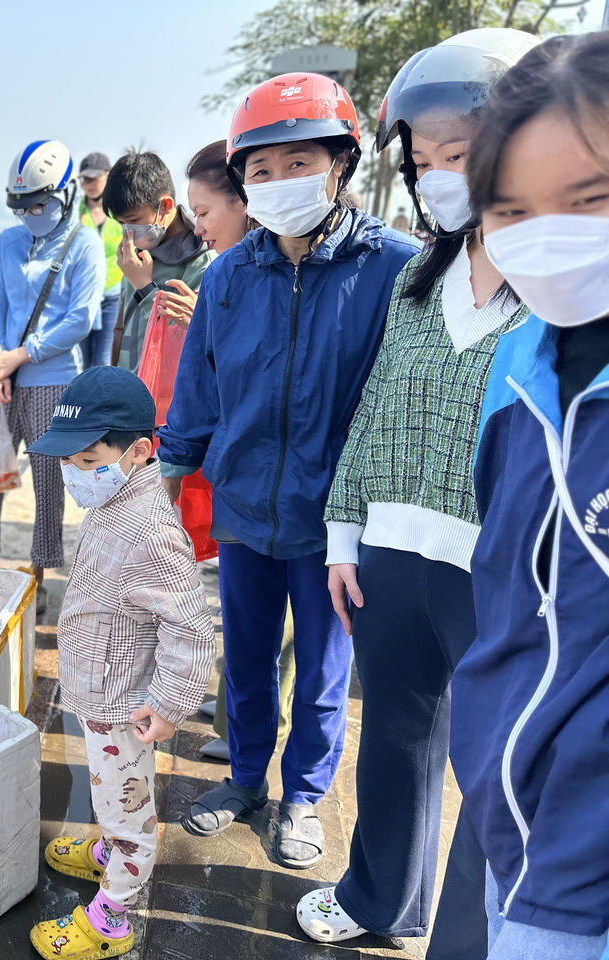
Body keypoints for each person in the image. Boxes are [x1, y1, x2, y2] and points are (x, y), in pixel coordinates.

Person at [291, 29, 537, 950]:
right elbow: (375, 413)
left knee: (492, 773)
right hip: (394, 559)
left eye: (460, 156)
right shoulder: (416, 282)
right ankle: (376, 900)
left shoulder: (561, 292)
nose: (440, 177)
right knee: (394, 744)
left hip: (500, 574)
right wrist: (344, 539)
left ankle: (469, 939)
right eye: (424, 161)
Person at [158, 74, 421, 868]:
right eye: (259, 172)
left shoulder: (394, 270)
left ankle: (304, 794)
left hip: (334, 520)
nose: (276, 185)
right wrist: (167, 478)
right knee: (242, 651)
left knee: (322, 667)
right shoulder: (231, 275)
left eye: (296, 163)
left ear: (340, 162)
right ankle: (244, 776)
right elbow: (201, 388)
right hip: (243, 505)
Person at [452, 31, 609, 960]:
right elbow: (512, 598)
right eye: (510, 210)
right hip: (511, 825)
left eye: (590, 201)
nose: (546, 235)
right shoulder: (520, 366)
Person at [26, 366, 215, 960]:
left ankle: (114, 912)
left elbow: (191, 626)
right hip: (99, 691)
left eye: (86, 461)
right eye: (68, 462)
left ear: (137, 451)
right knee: (112, 792)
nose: (74, 475)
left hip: (124, 706)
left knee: (128, 804)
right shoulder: (115, 501)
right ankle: (111, 847)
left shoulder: (150, 530)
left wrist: (168, 705)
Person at [182, 139, 296, 765]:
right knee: (249, 630)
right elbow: (201, 392)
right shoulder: (226, 273)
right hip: (240, 487)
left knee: (293, 644)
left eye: (205, 211)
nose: (197, 227)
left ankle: (294, 782)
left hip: (304, 495)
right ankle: (245, 745)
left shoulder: (349, 270)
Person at [0, 139, 105, 615]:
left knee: (48, 480)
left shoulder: (84, 243)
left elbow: (79, 319)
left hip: (53, 378)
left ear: (65, 195)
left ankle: (40, 569)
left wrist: (19, 357)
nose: (31, 214)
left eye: (39, 203)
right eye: (22, 206)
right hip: (4, 377)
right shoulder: (7, 241)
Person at [103, 150, 214, 371]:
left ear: (165, 206)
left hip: (168, 395)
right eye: (122, 224)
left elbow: (186, 333)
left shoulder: (201, 259)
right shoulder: (135, 255)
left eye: (134, 220)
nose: (129, 232)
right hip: (128, 390)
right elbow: (121, 329)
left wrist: (144, 288)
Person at [75, 151, 123, 368]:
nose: (89, 183)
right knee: (82, 362)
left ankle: (101, 401)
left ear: (108, 175)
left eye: (94, 177)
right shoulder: (75, 211)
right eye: (85, 178)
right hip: (83, 295)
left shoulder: (120, 208)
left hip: (113, 294)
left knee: (103, 360)